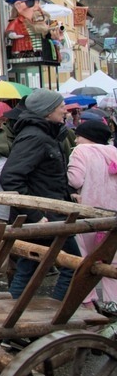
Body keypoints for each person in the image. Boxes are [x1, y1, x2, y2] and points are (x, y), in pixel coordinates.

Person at [0, 89, 80, 300]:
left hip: (53, 215)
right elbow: (11, 178)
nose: (65, 109)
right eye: (60, 106)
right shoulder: (34, 137)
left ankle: (16, 325)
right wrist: (36, 215)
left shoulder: (46, 135)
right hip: (45, 219)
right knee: (72, 265)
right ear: (47, 111)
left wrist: (69, 194)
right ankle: (53, 318)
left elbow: (47, 177)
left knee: (30, 270)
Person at [67, 120, 117, 313]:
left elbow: (75, 179)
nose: (76, 139)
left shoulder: (81, 152)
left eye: (78, 136)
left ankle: (89, 303)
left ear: (86, 136)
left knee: (86, 258)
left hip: (89, 212)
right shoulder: (114, 151)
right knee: (111, 259)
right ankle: (113, 304)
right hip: (112, 213)